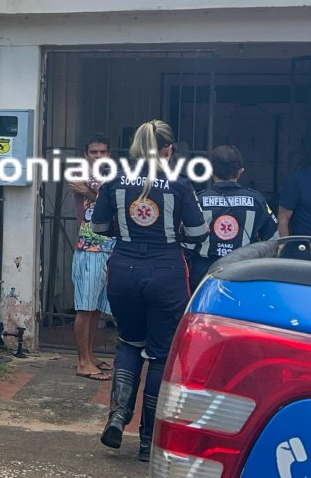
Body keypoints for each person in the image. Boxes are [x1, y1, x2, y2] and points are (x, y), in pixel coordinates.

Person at [90, 120, 209, 462]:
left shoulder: (114, 179)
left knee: (129, 341)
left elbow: (98, 227)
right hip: (167, 273)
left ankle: (117, 416)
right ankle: (148, 440)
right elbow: (200, 234)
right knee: (159, 354)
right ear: (169, 150)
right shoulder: (180, 184)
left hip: (123, 270)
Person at [183, 145, 279, 289]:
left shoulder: (199, 200)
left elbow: (187, 243)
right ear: (240, 171)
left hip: (205, 271)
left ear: (210, 171)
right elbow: (273, 241)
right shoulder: (257, 200)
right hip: (244, 271)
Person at [67, 133, 114, 380]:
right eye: (93, 152)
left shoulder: (112, 176)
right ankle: (83, 362)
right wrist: (96, 193)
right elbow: (106, 198)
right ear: (86, 154)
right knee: (85, 307)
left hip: (108, 247)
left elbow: (113, 203)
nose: (98, 156)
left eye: (102, 152)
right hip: (89, 248)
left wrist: (91, 193)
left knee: (96, 308)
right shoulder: (80, 172)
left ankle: (91, 355)